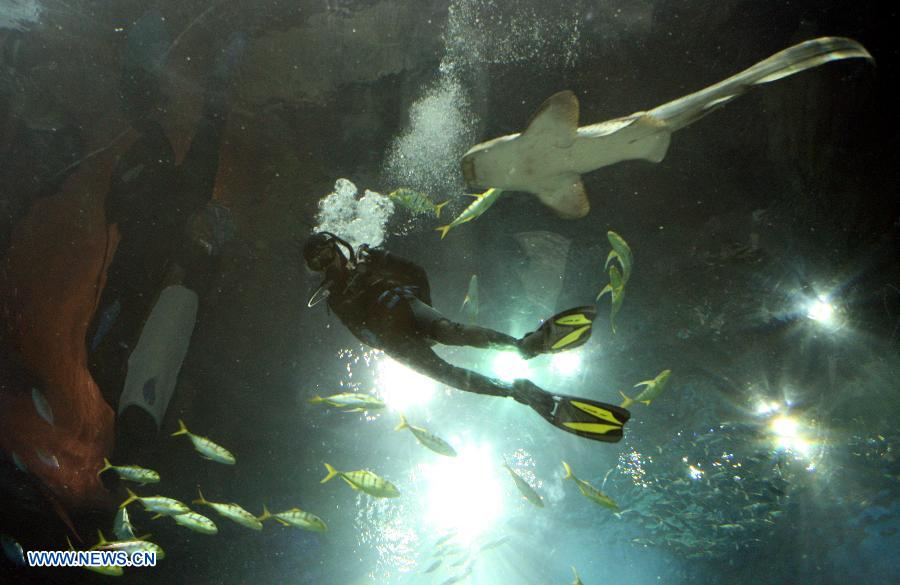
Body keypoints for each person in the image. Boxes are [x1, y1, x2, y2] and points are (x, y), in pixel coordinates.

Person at [303, 231, 631, 443]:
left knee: (452, 332)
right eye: (318, 261)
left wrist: (385, 263)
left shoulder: (369, 260)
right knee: (449, 374)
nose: (326, 262)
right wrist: (387, 331)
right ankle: (518, 391)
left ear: (336, 246)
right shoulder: (334, 297)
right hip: (396, 341)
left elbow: (417, 273)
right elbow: (364, 335)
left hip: (406, 305)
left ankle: (524, 345)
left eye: (327, 252)